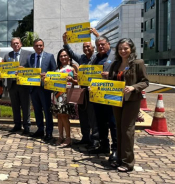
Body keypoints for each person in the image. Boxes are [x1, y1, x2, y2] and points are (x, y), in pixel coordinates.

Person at [108, 38, 149, 172]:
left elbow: (145, 82)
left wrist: (133, 87)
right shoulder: (115, 64)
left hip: (131, 100)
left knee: (127, 130)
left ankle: (128, 162)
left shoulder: (138, 63)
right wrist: (96, 89)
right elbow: (109, 82)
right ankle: (119, 158)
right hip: (116, 99)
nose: (123, 51)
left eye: (125, 48)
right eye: (120, 49)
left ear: (131, 48)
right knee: (118, 128)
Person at [62, 29, 99, 148]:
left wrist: (97, 35)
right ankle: (85, 137)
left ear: (93, 47)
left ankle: (95, 140)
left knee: (94, 117)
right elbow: (71, 53)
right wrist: (65, 42)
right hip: (82, 91)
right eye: (84, 47)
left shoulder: (97, 57)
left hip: (94, 92)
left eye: (88, 46)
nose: (86, 49)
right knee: (83, 116)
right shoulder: (82, 58)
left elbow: (102, 46)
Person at [90, 36, 117, 163]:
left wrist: (111, 75)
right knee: (100, 121)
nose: (100, 46)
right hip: (97, 94)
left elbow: (124, 72)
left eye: (103, 44)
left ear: (108, 44)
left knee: (113, 122)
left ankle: (116, 149)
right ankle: (103, 145)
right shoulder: (95, 58)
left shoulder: (115, 56)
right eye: (98, 45)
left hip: (111, 94)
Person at [23, 39, 57, 141]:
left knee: (47, 111)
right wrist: (21, 70)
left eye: (41, 45)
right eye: (37, 45)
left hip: (45, 88)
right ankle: (40, 129)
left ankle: (49, 132)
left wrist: (47, 75)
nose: (39, 47)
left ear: (43, 46)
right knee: (37, 111)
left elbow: (54, 71)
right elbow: (27, 70)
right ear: (34, 47)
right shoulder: (30, 58)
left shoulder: (49, 56)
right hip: (33, 88)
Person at [3, 37, 33, 134]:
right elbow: (3, 69)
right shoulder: (7, 56)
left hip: (24, 84)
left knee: (25, 106)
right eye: (13, 43)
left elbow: (32, 68)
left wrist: (23, 69)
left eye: (17, 43)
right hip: (12, 85)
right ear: (11, 45)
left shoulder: (29, 54)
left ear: (21, 44)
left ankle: (27, 126)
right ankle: (17, 125)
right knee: (15, 106)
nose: (16, 45)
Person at [50, 48, 78, 147]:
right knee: (59, 116)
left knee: (65, 116)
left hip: (66, 95)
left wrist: (72, 80)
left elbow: (78, 82)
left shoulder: (73, 67)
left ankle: (68, 138)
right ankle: (60, 136)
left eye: (65, 55)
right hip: (57, 95)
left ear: (69, 56)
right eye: (61, 56)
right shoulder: (57, 68)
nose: (63, 57)